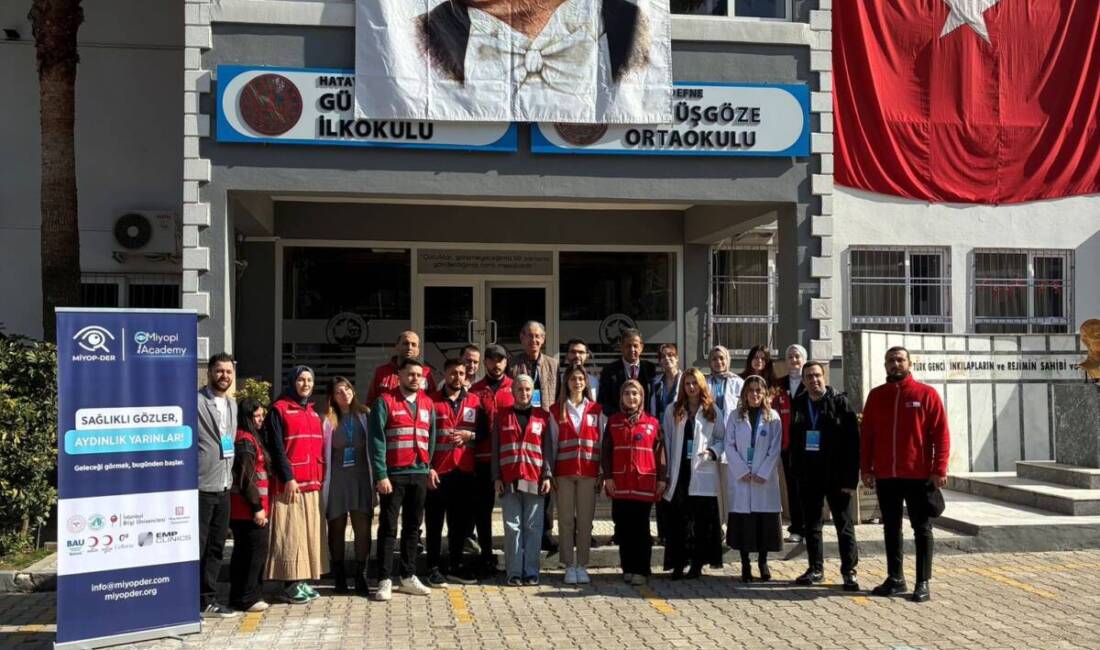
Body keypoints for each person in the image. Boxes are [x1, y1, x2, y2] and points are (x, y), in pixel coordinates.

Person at [862, 346, 950, 603]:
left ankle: (922, 581)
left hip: (917, 474)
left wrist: (939, 469)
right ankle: (895, 577)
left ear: (910, 364)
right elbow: (867, 435)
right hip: (886, 475)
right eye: (890, 360)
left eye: (900, 360)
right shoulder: (876, 396)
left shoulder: (926, 394)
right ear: (885, 365)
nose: (895, 364)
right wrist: (866, 468)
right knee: (891, 527)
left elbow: (941, 435)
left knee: (922, 528)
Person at [789, 362, 861, 591]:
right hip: (809, 475)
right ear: (803, 380)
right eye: (809, 377)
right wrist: (797, 471)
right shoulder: (799, 403)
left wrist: (851, 480)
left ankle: (849, 571)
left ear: (824, 376)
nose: (814, 380)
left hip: (837, 476)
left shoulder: (840, 402)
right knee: (812, 525)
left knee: (844, 524)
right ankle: (815, 568)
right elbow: (795, 440)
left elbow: (853, 443)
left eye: (817, 375)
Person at [369, 357, 436, 601]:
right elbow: (376, 440)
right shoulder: (384, 402)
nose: (415, 378)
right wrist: (381, 474)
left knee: (413, 528)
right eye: (410, 374)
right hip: (393, 476)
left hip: (419, 474)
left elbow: (432, 437)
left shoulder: (428, 404)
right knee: (388, 528)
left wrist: (429, 467)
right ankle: (384, 579)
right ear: (399, 376)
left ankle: (408, 576)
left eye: (419, 375)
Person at [265, 365, 327, 604]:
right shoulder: (279, 410)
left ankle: (302, 580)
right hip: (291, 485)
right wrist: (287, 477)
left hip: (312, 484)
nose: (306, 384)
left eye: (310, 380)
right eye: (301, 380)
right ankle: (289, 584)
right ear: (292, 382)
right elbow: (277, 449)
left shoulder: (312, 412)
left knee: (307, 534)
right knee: (290, 534)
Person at [425, 359, 485, 587]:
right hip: (438, 472)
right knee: (434, 522)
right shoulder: (430, 402)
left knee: (458, 523)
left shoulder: (474, 402)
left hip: (464, 471)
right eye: (453, 373)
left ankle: (456, 565)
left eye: (461, 373)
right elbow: (423, 437)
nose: (457, 377)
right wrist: (427, 467)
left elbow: (485, 432)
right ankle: (432, 567)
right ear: (445, 374)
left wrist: (471, 436)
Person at [661, 368, 725, 580]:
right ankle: (679, 563)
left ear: (701, 385)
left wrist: (711, 452)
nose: (690, 388)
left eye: (694, 383)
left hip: (701, 469)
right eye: (687, 384)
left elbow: (721, 439)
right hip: (680, 472)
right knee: (679, 521)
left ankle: (697, 564)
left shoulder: (712, 410)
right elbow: (668, 441)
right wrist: (667, 471)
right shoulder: (674, 409)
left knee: (701, 522)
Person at [603, 379, 667, 586]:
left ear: (642, 397)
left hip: (643, 483)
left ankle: (642, 569)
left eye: (635, 394)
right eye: (627, 393)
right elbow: (606, 452)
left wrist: (662, 479)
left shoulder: (652, 423)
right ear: (621, 397)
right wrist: (608, 477)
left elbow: (661, 454)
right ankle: (628, 568)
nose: (631, 397)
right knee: (623, 527)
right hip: (620, 482)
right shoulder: (613, 422)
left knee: (641, 528)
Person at [493, 375, 553, 586]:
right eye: (520, 389)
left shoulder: (543, 417)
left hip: (534, 478)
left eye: (528, 389)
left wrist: (547, 475)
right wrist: (496, 477)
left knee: (533, 527)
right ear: (513, 391)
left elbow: (547, 449)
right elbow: (495, 450)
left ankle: (531, 572)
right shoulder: (501, 416)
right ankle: (514, 572)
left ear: (533, 392)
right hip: (509, 479)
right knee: (512, 527)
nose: (524, 393)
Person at [549, 364, 606, 585]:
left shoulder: (596, 410)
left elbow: (601, 441)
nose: (577, 382)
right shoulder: (556, 410)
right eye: (573, 379)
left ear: (586, 382)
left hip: (589, 472)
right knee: (565, 521)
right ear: (567, 383)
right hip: (563, 472)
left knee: (585, 521)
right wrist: (551, 473)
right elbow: (553, 443)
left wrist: (602, 470)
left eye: (581, 379)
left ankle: (582, 564)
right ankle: (568, 565)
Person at [724, 375, 783, 582]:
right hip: (742, 478)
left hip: (762, 479)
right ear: (744, 394)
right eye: (751, 390)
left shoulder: (773, 417)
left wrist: (762, 472)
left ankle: (763, 562)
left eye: (759, 390)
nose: (755, 394)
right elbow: (728, 445)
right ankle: (745, 564)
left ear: (765, 393)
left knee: (763, 523)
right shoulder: (735, 416)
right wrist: (741, 470)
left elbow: (775, 448)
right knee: (744, 524)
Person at [508, 321, 559, 553]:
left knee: (545, 478)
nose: (534, 340)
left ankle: (545, 532)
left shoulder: (553, 365)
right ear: (521, 338)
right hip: (521, 425)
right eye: (529, 335)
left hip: (545, 425)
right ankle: (525, 529)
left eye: (538, 336)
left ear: (544, 339)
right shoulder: (513, 364)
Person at [197, 353, 240, 618]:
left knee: (216, 547)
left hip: (225, 486)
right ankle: (189, 600)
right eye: (219, 371)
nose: (224, 376)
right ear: (210, 372)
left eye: (228, 371)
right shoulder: (196, 401)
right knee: (198, 548)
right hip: (201, 485)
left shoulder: (233, 405)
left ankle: (207, 600)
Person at [322, 377, 374, 595]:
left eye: (348, 389)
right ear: (332, 397)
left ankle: (361, 574)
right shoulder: (327, 420)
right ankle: (340, 575)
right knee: (336, 528)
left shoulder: (365, 415)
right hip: (337, 481)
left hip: (361, 478)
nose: (345, 393)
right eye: (339, 391)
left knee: (363, 528)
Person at [468, 344, 514, 575]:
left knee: (514, 512)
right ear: (485, 362)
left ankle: (516, 558)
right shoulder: (475, 391)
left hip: (511, 460)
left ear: (507, 362)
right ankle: (486, 556)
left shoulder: (517, 388)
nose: (496, 364)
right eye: (492, 360)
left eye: (500, 360)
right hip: (483, 459)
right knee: (483, 511)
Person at [228, 398, 271, 613]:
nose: (261, 419)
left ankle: (244, 595)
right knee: (252, 554)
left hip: (247, 508)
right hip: (248, 510)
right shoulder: (245, 441)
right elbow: (247, 479)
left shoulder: (250, 438)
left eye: (262, 415)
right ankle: (247, 597)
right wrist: (257, 507)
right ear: (246, 417)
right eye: (257, 416)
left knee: (246, 552)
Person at [650, 342, 682, 547]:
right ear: (659, 361)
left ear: (677, 359)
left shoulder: (686, 380)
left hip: (679, 435)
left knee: (678, 482)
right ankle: (663, 531)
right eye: (663, 357)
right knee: (661, 480)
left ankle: (676, 530)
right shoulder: (656, 383)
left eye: (671, 355)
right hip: (659, 437)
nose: (667, 359)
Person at [775, 343, 807, 544]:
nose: (794, 361)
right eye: (790, 357)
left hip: (808, 444)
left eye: (797, 357)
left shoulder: (810, 380)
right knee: (792, 486)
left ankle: (811, 526)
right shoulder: (780, 384)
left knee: (808, 487)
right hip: (787, 443)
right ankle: (796, 527)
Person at [597, 328, 657, 416]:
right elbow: (603, 401)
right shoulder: (609, 370)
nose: (632, 349)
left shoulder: (650, 368)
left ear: (641, 347)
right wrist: (621, 418)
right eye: (628, 346)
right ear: (621, 347)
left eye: (635, 346)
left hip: (645, 423)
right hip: (619, 423)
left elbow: (653, 399)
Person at [367, 331, 436, 404]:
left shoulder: (426, 373)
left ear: (418, 350)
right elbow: (371, 402)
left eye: (413, 345)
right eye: (405, 343)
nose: (409, 347)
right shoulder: (381, 371)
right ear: (397, 347)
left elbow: (433, 402)